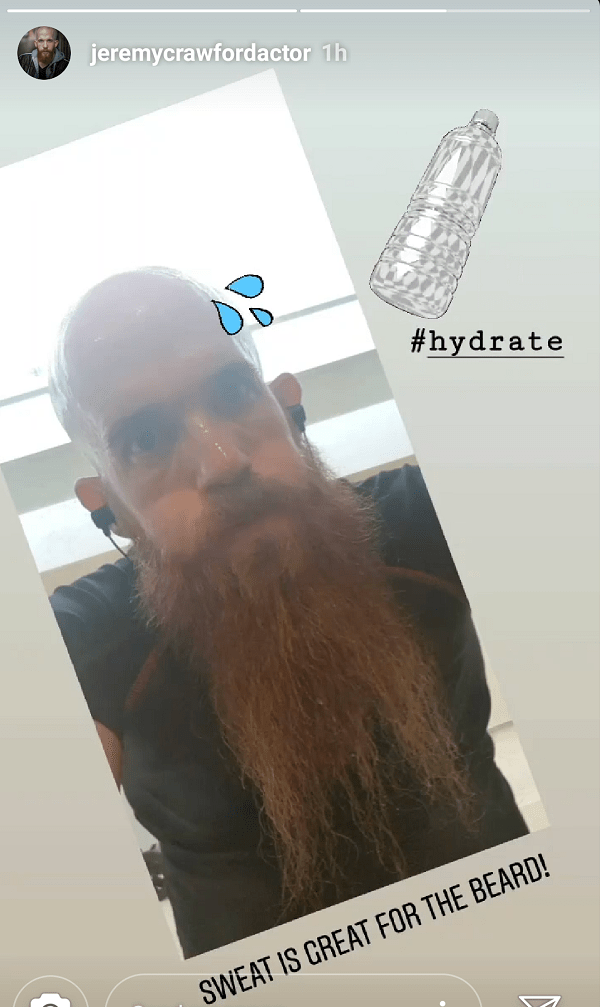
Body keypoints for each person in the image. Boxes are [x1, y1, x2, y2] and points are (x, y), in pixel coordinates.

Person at [47, 267, 528, 958]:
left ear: (286, 407)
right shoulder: (89, 634)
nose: (222, 462)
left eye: (233, 393)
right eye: (145, 439)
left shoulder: (421, 521)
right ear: (106, 504)